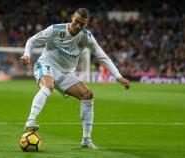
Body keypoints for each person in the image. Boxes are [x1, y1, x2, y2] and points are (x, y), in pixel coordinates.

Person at [20, 8, 130, 149]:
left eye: (82, 24)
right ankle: (30, 121)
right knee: (48, 86)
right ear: (72, 17)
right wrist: (27, 54)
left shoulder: (86, 37)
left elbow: (102, 56)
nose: (78, 26)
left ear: (87, 24)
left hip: (65, 73)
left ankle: (86, 139)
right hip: (46, 65)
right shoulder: (55, 30)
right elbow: (32, 40)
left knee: (87, 95)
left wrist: (118, 76)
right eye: (77, 22)